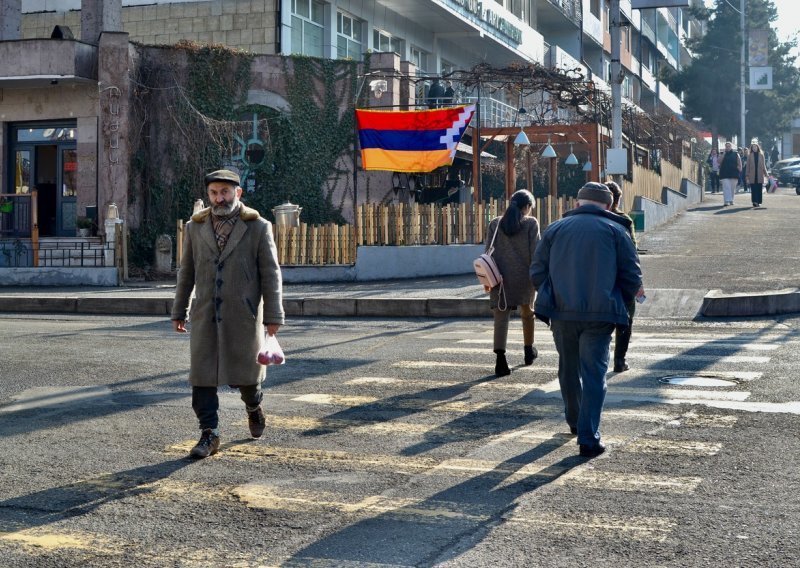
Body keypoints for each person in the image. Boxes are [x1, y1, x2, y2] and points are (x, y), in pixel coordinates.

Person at [172, 169, 285, 459]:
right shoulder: (196, 227)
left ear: (238, 193)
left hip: (243, 314)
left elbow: (270, 274)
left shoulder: (258, 227)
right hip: (205, 314)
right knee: (202, 378)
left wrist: (273, 317)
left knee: (247, 378)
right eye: (213, 193)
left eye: (224, 192)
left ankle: (254, 405)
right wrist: (180, 309)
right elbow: (187, 272)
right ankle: (209, 433)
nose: (218, 198)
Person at [530, 182, 643, 457]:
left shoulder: (555, 229)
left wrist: (553, 293)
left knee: (568, 369)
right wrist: (623, 297)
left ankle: (573, 420)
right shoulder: (617, 230)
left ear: (578, 203)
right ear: (607, 205)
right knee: (594, 374)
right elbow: (632, 276)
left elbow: (536, 271)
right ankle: (588, 436)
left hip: (562, 313)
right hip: (601, 314)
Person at [485, 190, 541, 377]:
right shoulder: (531, 223)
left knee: (501, 318)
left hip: (499, 278)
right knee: (527, 313)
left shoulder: (495, 223)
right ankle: (528, 351)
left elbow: (488, 251)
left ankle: (500, 361)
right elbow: (536, 253)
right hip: (524, 278)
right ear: (527, 207)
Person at [605, 180, 637, 372]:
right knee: (626, 317)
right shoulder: (624, 220)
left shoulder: (594, 218)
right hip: (622, 275)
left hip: (600, 275)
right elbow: (633, 250)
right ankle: (619, 360)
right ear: (618, 199)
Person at [746, 142, 769, 208]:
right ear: (751, 148)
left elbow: (764, 165)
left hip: (759, 175)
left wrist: (766, 174)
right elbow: (747, 166)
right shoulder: (749, 155)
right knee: (754, 189)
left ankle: (758, 201)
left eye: (755, 147)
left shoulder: (761, 155)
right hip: (752, 175)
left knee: (759, 189)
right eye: (753, 147)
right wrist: (747, 175)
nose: (754, 148)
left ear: (758, 148)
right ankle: (754, 202)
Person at [718, 142, 742, 206]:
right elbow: (719, 161)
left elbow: (739, 162)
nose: (727, 147)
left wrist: (740, 169)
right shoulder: (722, 154)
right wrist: (723, 154)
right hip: (724, 173)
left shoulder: (736, 154)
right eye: (726, 146)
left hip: (734, 173)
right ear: (725, 147)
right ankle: (726, 201)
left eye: (729, 146)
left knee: (732, 188)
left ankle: (731, 200)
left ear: (731, 147)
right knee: (726, 187)